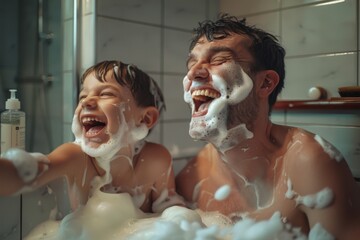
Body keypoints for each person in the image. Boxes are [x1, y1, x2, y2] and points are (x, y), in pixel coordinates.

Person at [175, 14, 360, 239]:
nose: (193, 73)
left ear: (265, 83)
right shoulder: (191, 177)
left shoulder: (310, 164)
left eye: (219, 59)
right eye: (191, 63)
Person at [0, 60, 184, 214]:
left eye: (105, 94)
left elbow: (175, 216)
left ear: (145, 118)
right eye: (82, 96)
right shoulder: (76, 157)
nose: (87, 101)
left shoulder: (156, 160)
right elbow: (21, 176)